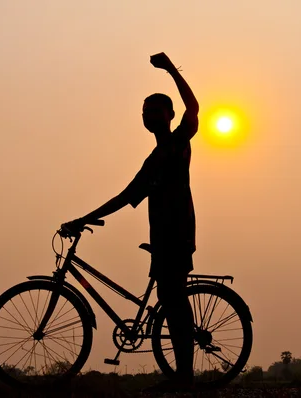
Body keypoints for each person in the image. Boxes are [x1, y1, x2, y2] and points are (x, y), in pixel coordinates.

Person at [62, 52, 199, 391]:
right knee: (170, 299)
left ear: (168, 115)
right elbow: (125, 197)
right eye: (144, 111)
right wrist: (84, 218)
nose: (148, 114)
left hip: (177, 235)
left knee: (175, 303)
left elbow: (193, 109)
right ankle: (181, 377)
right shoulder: (152, 160)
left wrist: (170, 70)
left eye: (154, 110)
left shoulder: (178, 143)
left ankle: (184, 378)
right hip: (163, 239)